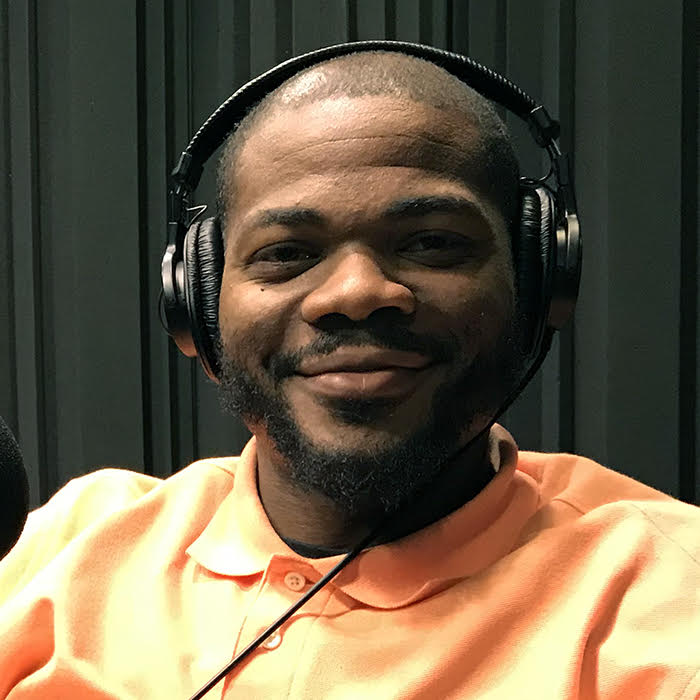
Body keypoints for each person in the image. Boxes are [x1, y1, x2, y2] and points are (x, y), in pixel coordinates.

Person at [1, 48, 698, 700]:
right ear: (198, 303)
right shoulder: (64, 546)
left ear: (539, 281)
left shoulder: (666, 599)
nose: (357, 292)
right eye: (286, 252)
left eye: (433, 243)